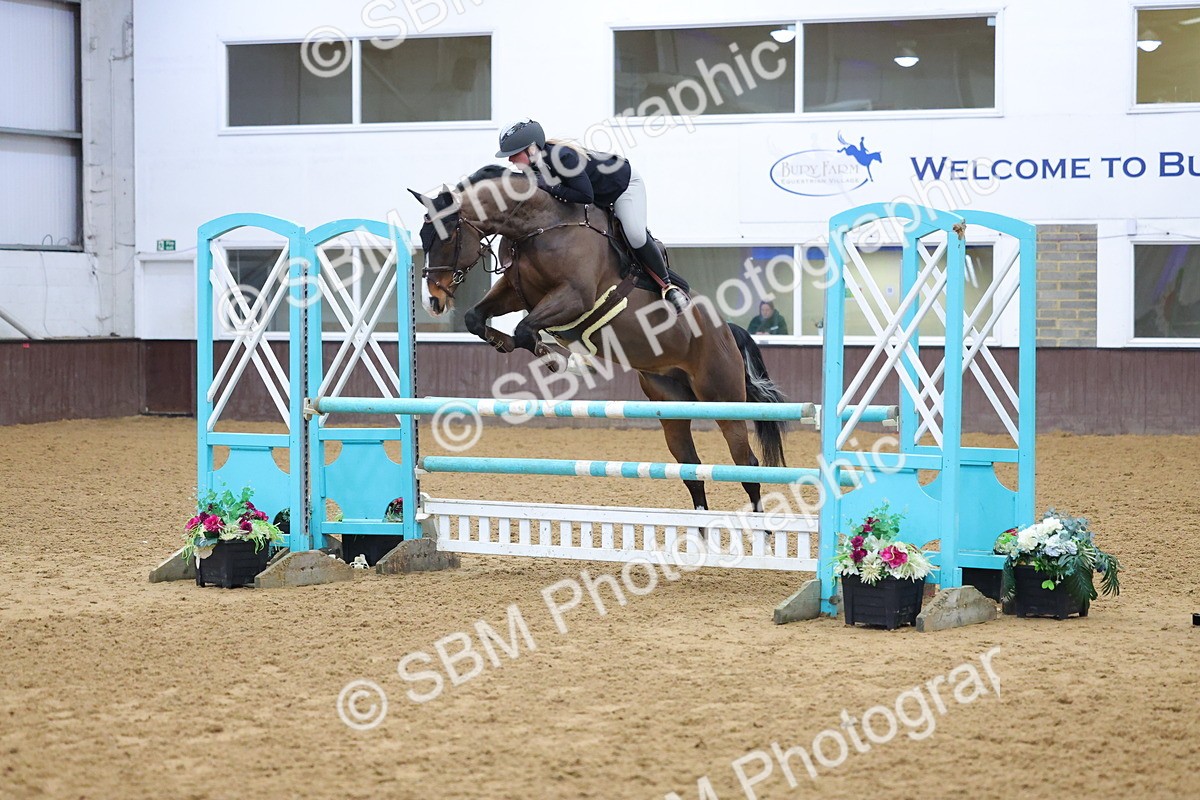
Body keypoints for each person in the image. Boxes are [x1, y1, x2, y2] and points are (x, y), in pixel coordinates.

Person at [495, 119, 689, 312]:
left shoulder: (563, 157)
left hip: (623, 188)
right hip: (598, 195)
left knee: (635, 234)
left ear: (531, 149)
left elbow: (585, 196)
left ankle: (668, 287)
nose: (510, 160)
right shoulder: (535, 165)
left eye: (513, 154)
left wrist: (551, 187)